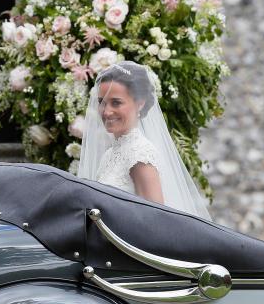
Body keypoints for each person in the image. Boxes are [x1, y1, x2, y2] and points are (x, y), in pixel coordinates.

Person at [77, 61, 211, 220]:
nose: (106, 111)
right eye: (102, 102)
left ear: (139, 104)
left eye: (116, 102)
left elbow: (155, 222)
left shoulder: (139, 156)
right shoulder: (110, 154)